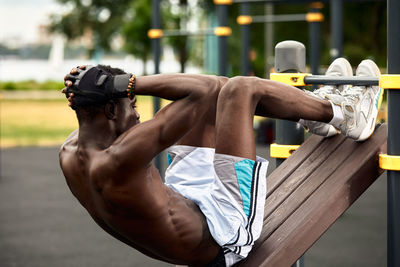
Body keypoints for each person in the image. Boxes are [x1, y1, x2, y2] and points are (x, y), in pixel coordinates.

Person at [59, 58, 381, 266]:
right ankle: (346, 115)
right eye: (131, 104)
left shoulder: (71, 150)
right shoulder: (120, 158)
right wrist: (125, 83)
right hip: (221, 233)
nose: (138, 113)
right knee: (242, 88)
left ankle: (318, 113)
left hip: (185, 200)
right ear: (112, 111)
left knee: (223, 92)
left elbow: (207, 91)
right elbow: (203, 88)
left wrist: (102, 87)